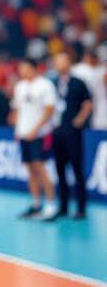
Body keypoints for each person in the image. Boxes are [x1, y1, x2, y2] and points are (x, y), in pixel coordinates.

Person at [48, 49, 93, 220]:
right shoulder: (53, 83)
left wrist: (79, 120)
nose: (58, 64)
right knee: (59, 169)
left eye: (61, 60)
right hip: (57, 130)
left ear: (69, 63)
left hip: (72, 132)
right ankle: (64, 206)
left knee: (76, 169)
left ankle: (81, 208)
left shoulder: (78, 83)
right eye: (56, 61)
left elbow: (88, 103)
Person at [10, 59, 57, 219]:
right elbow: (18, 110)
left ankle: (51, 205)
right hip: (24, 134)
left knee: (41, 169)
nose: (21, 71)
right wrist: (18, 130)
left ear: (33, 68)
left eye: (24, 68)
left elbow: (50, 110)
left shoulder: (45, 85)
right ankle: (36, 204)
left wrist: (35, 130)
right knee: (30, 170)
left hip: (39, 135)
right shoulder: (20, 87)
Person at [72, 43, 107, 131]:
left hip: (101, 103)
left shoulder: (103, 71)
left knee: (100, 127)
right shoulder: (80, 69)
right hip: (85, 103)